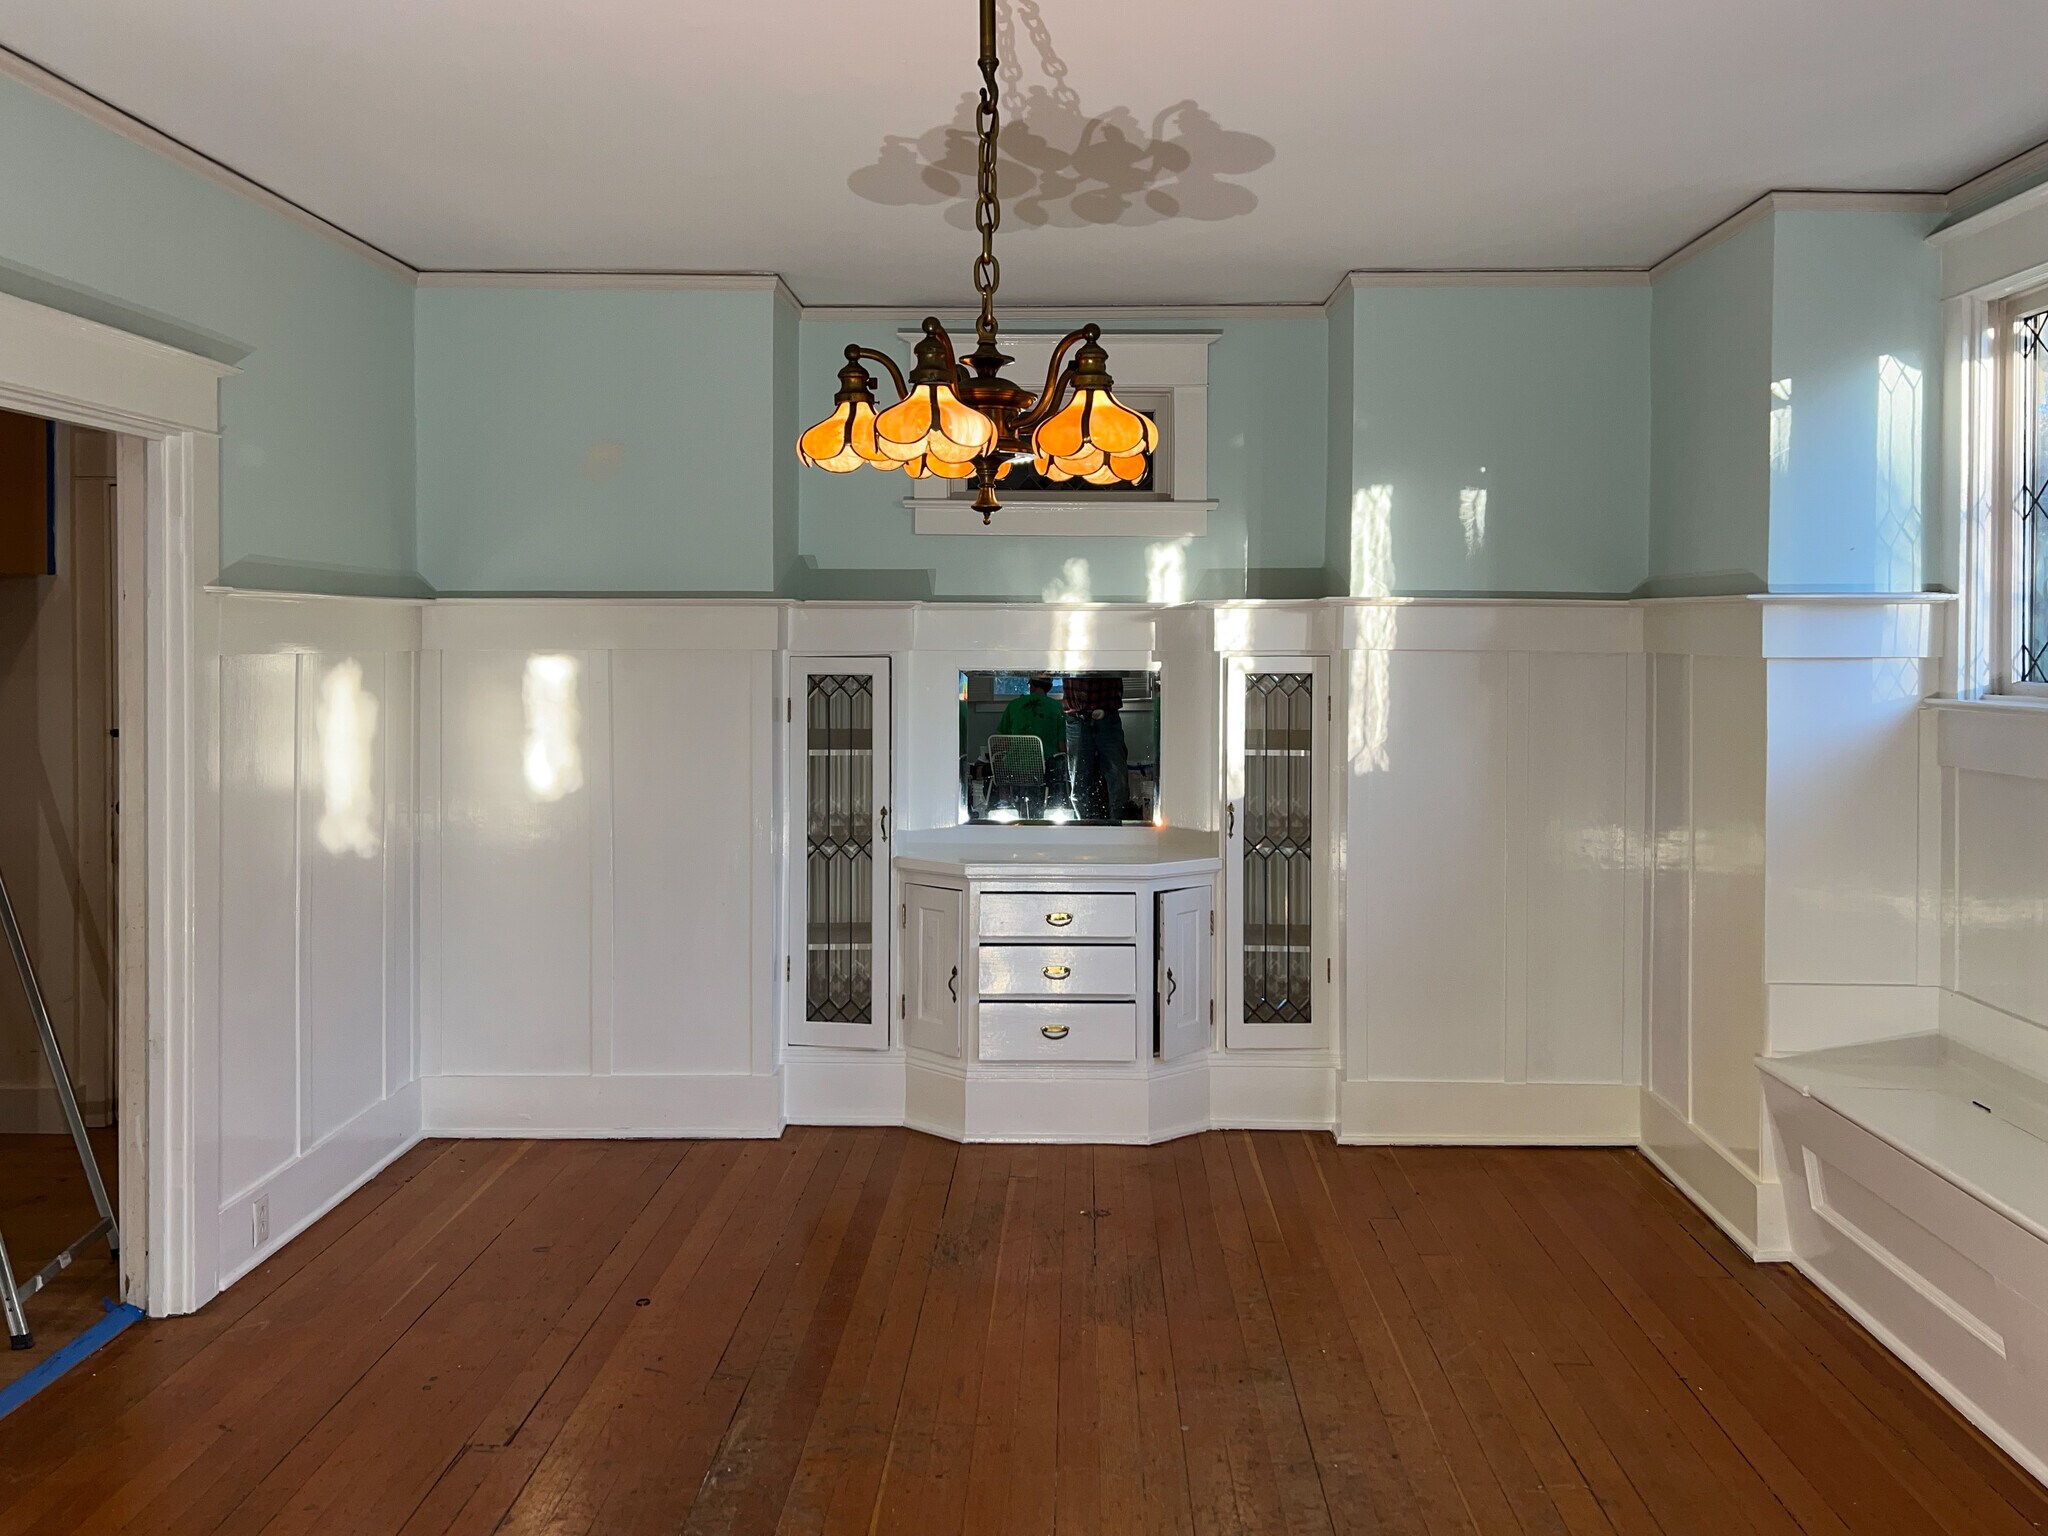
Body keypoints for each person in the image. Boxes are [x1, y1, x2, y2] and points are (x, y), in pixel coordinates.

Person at [1063, 672, 1128, 824]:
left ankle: (1116, 829)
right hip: (1083, 715)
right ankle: (1089, 830)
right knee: (1082, 781)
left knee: (1116, 780)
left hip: (1095, 714)